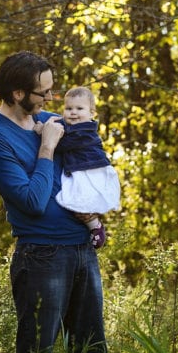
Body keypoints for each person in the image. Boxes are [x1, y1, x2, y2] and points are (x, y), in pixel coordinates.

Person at [0, 51, 113, 353]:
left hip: (81, 248)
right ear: (19, 94)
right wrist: (47, 148)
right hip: (43, 255)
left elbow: (88, 163)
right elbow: (33, 202)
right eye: (44, 93)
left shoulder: (51, 120)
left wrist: (96, 210)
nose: (52, 100)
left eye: (52, 91)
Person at [50, 86, 120, 249]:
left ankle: (95, 227)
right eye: (68, 108)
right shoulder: (71, 126)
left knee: (80, 202)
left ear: (91, 113)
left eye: (79, 108)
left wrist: (44, 134)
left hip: (92, 171)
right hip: (81, 171)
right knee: (76, 203)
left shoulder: (85, 130)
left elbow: (62, 145)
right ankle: (93, 226)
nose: (73, 112)